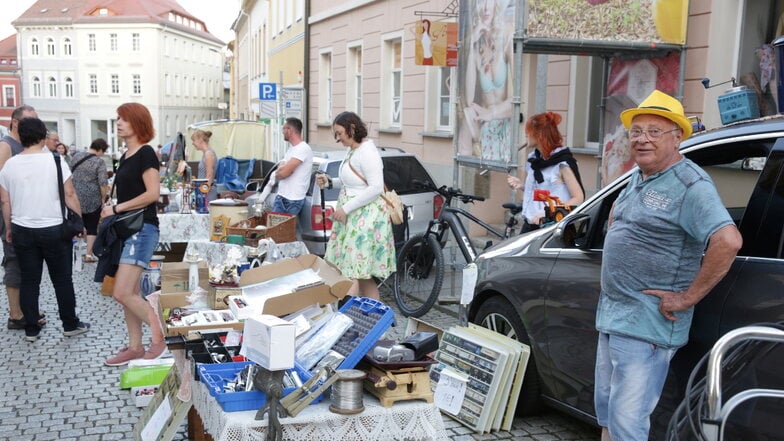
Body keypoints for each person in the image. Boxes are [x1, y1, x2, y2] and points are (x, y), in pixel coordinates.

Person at [594, 90, 743, 441]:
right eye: (636, 131)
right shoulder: (640, 175)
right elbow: (620, 217)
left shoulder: (690, 184)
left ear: (677, 137)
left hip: (647, 325)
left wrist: (686, 297)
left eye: (654, 132)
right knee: (608, 413)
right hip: (615, 315)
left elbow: (728, 241)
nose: (642, 139)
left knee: (628, 423)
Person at [0, 117, 90, 342]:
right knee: (62, 280)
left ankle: (31, 328)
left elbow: (5, 202)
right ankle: (69, 324)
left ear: (21, 136)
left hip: (22, 228)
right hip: (54, 229)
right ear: (42, 136)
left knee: (30, 281)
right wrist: (79, 222)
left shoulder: (10, 165)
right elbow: (70, 195)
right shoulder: (56, 161)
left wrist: (9, 227)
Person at [102, 102, 165, 366]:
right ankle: (135, 346)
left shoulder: (146, 153)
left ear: (137, 122)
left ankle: (160, 336)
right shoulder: (126, 155)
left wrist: (117, 207)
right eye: (117, 118)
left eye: (124, 119)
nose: (118, 123)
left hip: (141, 228)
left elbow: (153, 194)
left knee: (122, 292)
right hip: (127, 228)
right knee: (132, 291)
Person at [315, 112, 395, 300]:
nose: (338, 138)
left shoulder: (368, 152)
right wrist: (329, 182)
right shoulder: (354, 150)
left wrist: (346, 209)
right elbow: (352, 184)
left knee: (350, 272)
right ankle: (372, 318)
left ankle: (344, 319)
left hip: (364, 220)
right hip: (353, 219)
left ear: (352, 128)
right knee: (361, 275)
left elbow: (376, 188)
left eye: (340, 133)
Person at [0, 104, 47, 330]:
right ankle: (16, 314)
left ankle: (26, 309)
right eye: (31, 120)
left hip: (23, 215)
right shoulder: (6, 146)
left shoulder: (23, 145)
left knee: (26, 263)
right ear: (16, 122)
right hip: (11, 215)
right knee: (13, 261)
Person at [507, 112, 584, 230]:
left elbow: (578, 198)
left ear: (540, 135)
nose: (526, 134)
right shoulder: (534, 160)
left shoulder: (562, 163)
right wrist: (522, 186)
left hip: (552, 227)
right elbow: (544, 192)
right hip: (530, 225)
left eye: (529, 131)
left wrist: (549, 213)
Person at [461, 0, 513, 161]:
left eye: (488, 1)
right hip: (483, 121)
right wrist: (471, 45)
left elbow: (516, 99)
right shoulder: (477, 45)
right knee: (467, 113)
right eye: (479, 2)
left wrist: (491, 114)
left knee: (475, 118)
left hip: (502, 117)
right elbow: (469, 99)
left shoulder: (507, 36)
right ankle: (464, 170)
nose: (484, 7)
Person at [71, 138, 110, 263]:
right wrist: (103, 199)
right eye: (103, 152)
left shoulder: (76, 156)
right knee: (92, 226)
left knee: (76, 224)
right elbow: (103, 184)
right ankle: (88, 254)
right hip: (92, 199)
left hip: (75, 197)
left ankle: (74, 253)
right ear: (100, 150)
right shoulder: (99, 162)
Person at [272, 117, 313, 216]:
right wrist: (282, 171)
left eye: (284, 129)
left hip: (292, 200)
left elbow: (283, 173)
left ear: (290, 130)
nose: (282, 132)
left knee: (283, 231)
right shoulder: (291, 149)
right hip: (282, 196)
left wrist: (283, 171)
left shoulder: (303, 148)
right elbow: (280, 171)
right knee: (276, 231)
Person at [190, 129, 218, 201]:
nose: (192, 143)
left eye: (194, 140)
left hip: (207, 193)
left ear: (200, 140)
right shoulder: (207, 153)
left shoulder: (208, 154)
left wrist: (202, 193)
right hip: (205, 191)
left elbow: (209, 176)